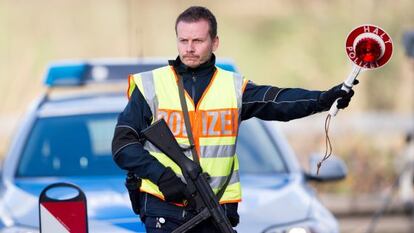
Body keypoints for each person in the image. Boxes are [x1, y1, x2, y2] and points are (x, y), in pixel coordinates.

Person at [112, 6, 356, 232]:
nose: (189, 48)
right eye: (183, 40)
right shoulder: (151, 85)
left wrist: (324, 99)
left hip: (216, 207)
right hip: (164, 208)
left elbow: (279, 101)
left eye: (197, 40)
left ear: (215, 42)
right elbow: (123, 145)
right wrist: (163, 176)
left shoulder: (233, 87)